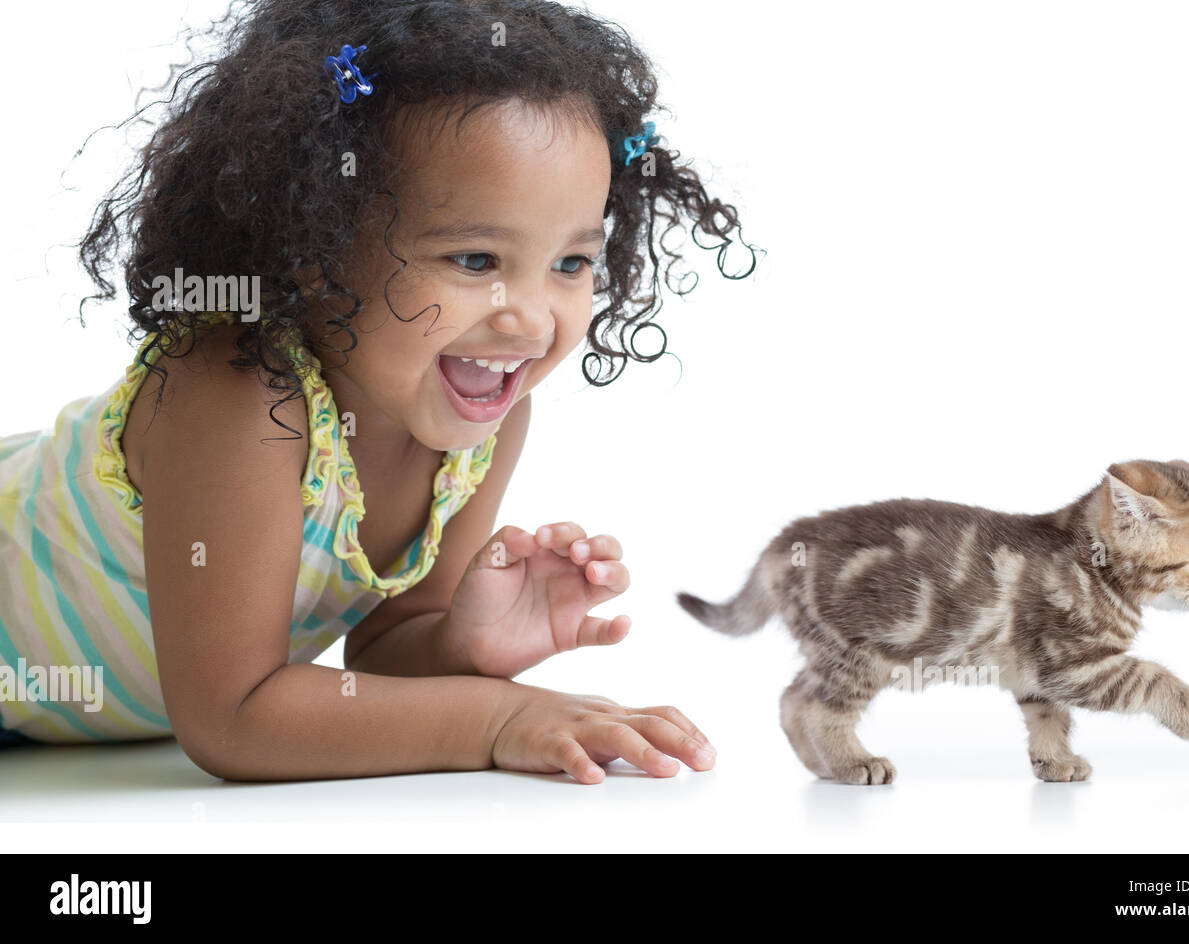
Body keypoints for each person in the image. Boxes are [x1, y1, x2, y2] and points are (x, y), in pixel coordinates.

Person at [0, 0, 759, 783]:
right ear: (311, 245)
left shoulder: (484, 418)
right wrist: (499, 717)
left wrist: (464, 643)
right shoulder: (238, 394)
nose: (531, 319)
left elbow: (385, 652)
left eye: (571, 263)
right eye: (475, 260)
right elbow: (233, 715)